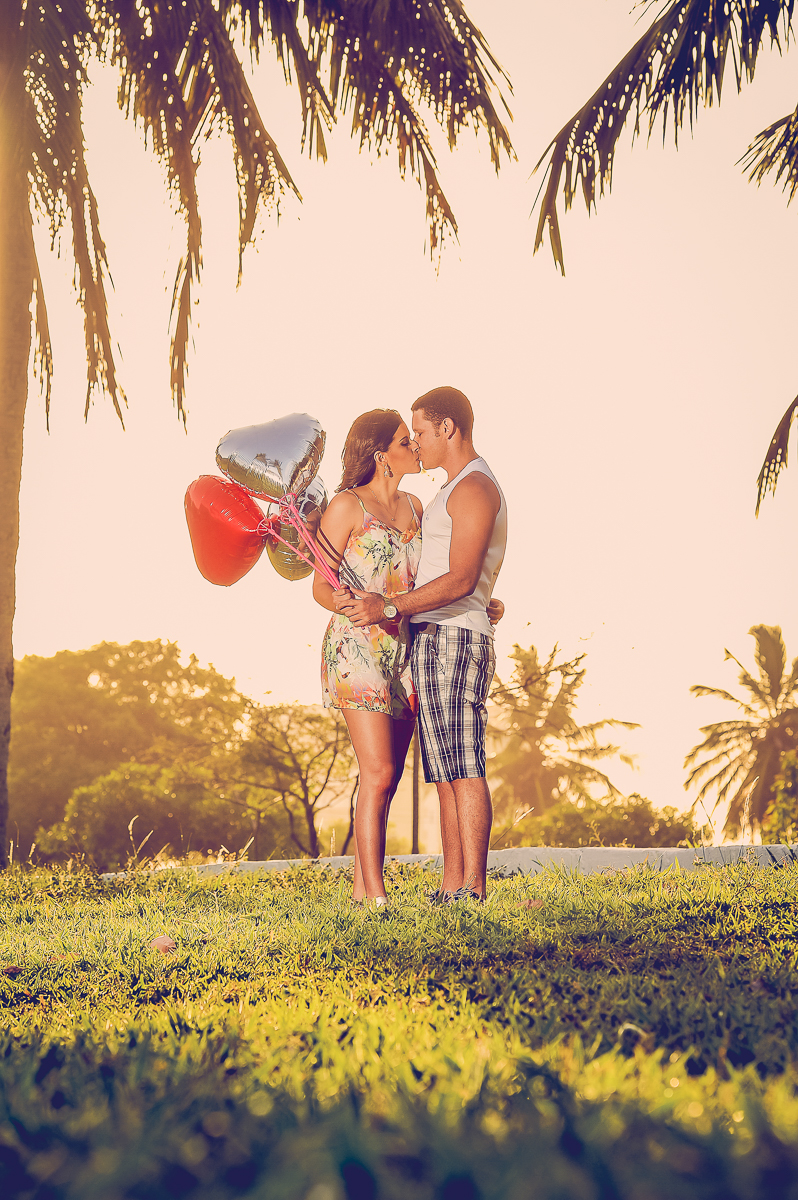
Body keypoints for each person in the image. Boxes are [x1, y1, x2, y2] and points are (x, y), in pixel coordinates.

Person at [313, 407, 502, 906]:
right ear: (382, 455)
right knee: (377, 773)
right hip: (358, 648)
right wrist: (354, 605)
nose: (414, 446)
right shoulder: (347, 506)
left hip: (406, 650)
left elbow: (440, 573)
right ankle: (376, 898)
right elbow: (319, 586)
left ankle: (361, 891)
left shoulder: (418, 508)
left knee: (390, 777)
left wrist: (481, 598)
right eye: (405, 440)